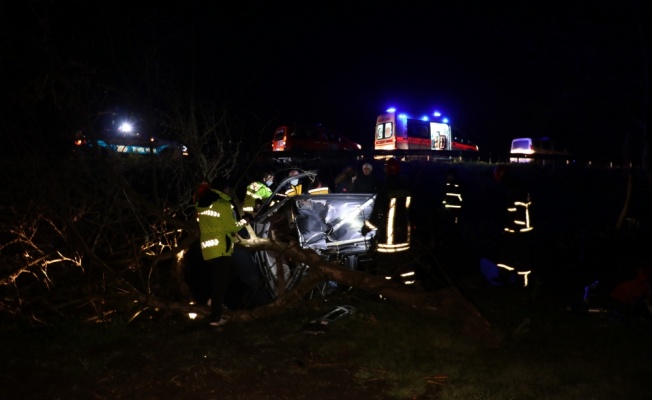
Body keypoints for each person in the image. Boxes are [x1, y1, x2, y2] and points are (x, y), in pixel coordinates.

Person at [195, 176, 247, 328]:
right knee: (219, 283)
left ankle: (213, 302)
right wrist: (245, 221)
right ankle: (215, 318)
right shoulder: (223, 204)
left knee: (228, 275)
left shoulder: (202, 203)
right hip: (221, 248)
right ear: (225, 189)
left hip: (208, 248)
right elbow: (232, 227)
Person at [362, 158, 415, 285]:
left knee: (385, 269)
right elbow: (410, 212)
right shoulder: (406, 189)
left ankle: (384, 294)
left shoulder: (384, 190)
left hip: (387, 239)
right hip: (403, 237)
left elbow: (377, 216)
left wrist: (366, 228)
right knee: (406, 268)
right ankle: (411, 292)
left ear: (387, 171)